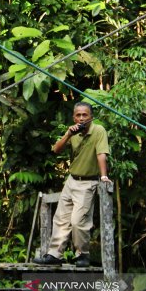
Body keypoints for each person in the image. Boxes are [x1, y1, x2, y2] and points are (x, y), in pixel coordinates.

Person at [33, 102, 111, 267]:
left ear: (91, 117)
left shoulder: (98, 131)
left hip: (87, 182)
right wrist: (68, 134)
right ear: (74, 117)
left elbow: (102, 154)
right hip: (71, 180)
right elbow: (56, 150)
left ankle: (82, 254)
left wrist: (104, 176)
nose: (81, 118)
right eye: (78, 115)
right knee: (61, 218)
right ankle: (55, 255)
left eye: (85, 115)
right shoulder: (73, 132)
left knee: (78, 221)